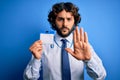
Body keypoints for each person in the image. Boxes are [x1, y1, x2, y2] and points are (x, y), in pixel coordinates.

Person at [23, 2, 106, 80]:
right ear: (54, 21)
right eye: (60, 19)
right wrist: (36, 59)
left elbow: (101, 76)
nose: (65, 24)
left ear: (74, 21)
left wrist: (89, 60)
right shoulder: (43, 45)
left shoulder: (83, 46)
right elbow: (28, 78)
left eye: (69, 19)